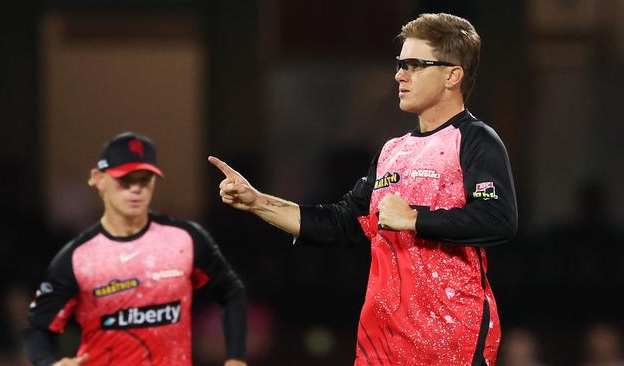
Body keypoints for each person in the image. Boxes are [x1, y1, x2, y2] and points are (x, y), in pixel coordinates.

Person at [209, 12, 517, 366]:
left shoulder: (476, 139)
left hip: (450, 339)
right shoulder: (391, 151)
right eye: (401, 64)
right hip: (382, 342)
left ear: (452, 75)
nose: (400, 75)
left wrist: (415, 219)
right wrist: (256, 202)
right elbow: (339, 224)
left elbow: (498, 218)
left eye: (415, 65)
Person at [23, 132, 247, 366]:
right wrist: (50, 363)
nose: (136, 189)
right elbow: (37, 328)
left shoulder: (186, 240)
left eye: (144, 179)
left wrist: (236, 359)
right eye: (125, 180)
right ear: (98, 179)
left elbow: (231, 292)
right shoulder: (78, 257)